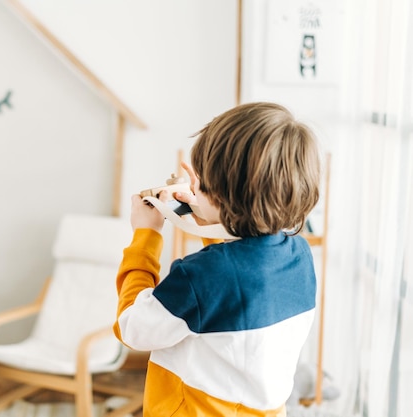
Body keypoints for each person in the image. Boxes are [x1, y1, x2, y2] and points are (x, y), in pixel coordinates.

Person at [113, 102, 321, 416]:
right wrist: (209, 215)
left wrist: (146, 236)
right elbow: (238, 281)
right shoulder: (299, 257)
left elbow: (133, 327)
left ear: (223, 195)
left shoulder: (199, 277)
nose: (192, 184)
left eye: (200, 181)